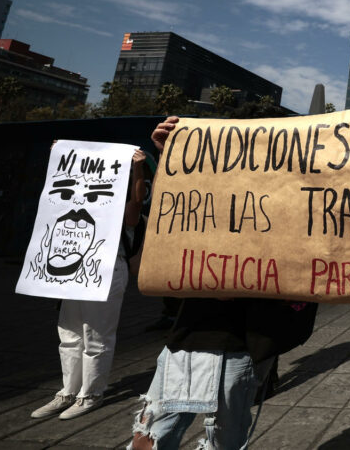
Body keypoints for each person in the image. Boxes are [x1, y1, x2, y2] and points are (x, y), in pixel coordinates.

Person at [129, 116, 318, 450]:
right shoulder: (214, 195)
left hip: (245, 342)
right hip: (191, 332)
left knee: (223, 440)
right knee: (151, 436)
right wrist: (170, 159)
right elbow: (169, 219)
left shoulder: (299, 205)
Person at [32, 148, 152, 420]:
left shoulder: (120, 210)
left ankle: (91, 393)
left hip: (107, 271)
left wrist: (137, 170)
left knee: (95, 336)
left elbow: (136, 202)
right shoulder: (74, 207)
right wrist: (59, 155)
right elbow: (54, 194)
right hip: (76, 273)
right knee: (69, 334)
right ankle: (68, 391)